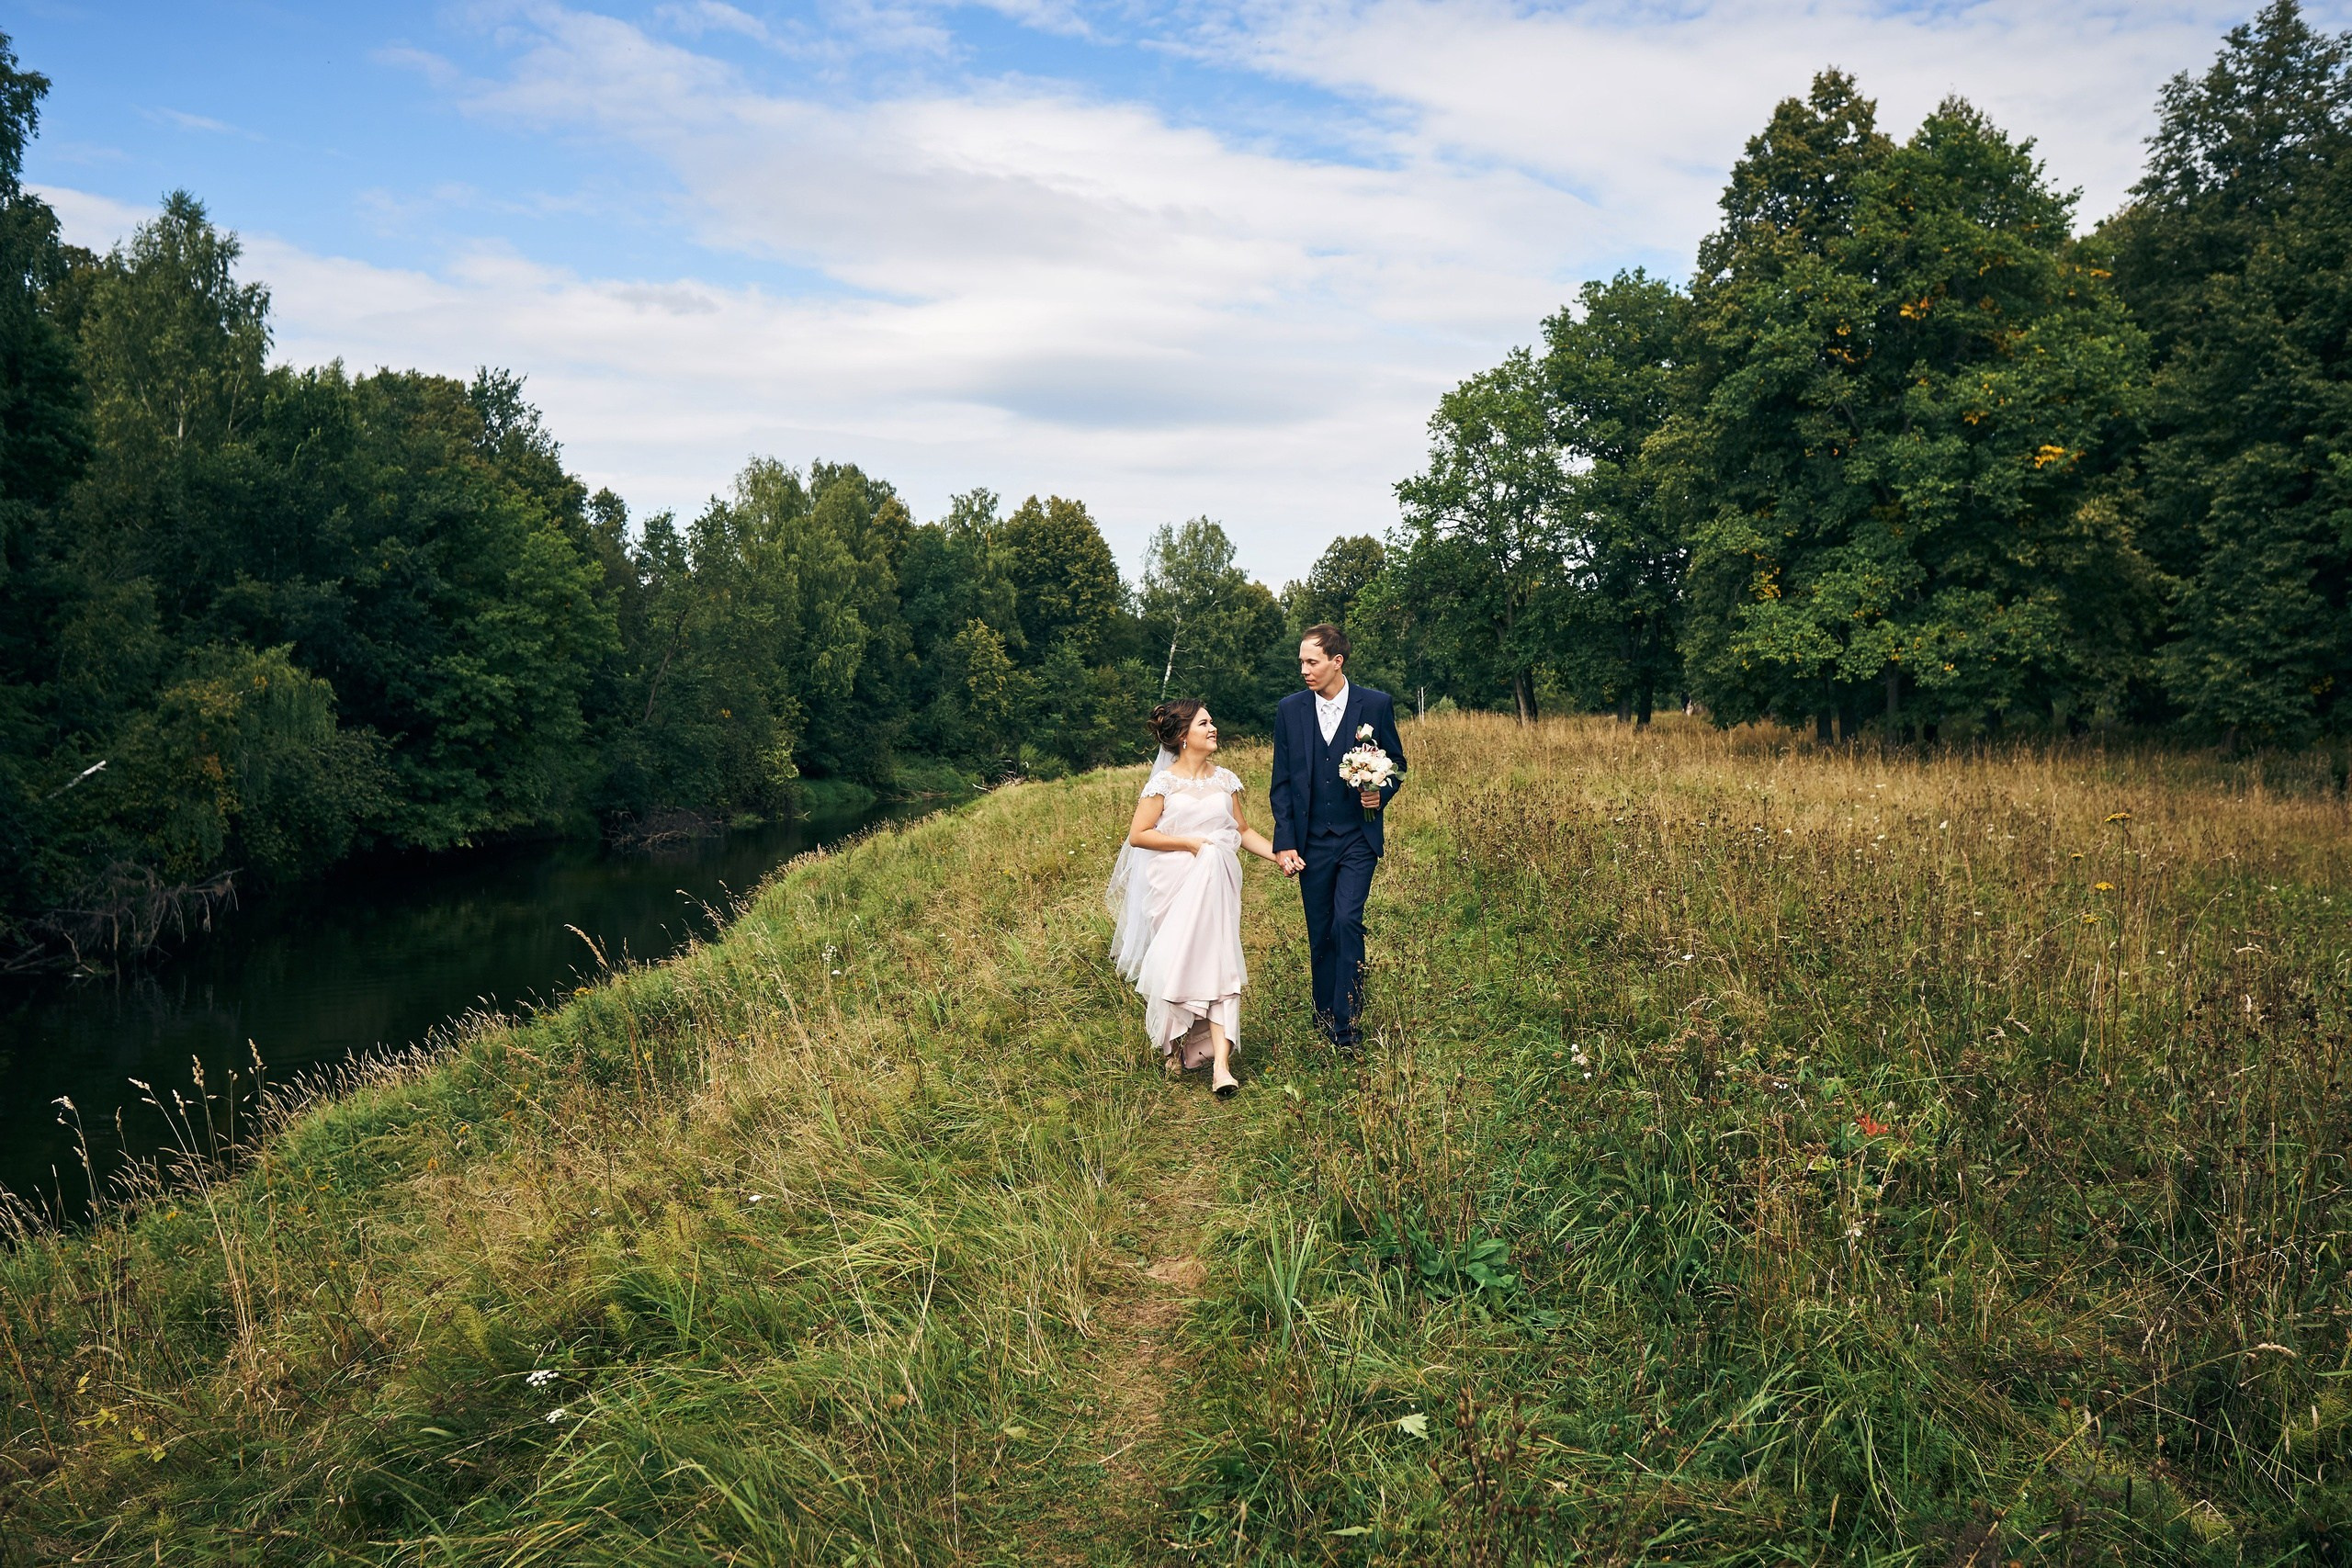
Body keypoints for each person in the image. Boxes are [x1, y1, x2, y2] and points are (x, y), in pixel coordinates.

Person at [1106, 700, 1283, 1096]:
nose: (1213, 727)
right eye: (1204, 723)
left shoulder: (1225, 780)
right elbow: (1139, 835)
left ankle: (1222, 1067)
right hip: (1174, 884)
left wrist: (1278, 855)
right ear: (1183, 736)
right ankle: (1174, 1046)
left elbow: (1242, 830)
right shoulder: (1163, 784)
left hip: (1217, 884)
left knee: (1221, 964)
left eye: (1212, 721)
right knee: (1178, 965)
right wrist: (1188, 843)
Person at [1268, 625, 1406, 1052]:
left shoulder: (1376, 704)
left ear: (1337, 661)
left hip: (1357, 837)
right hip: (1311, 841)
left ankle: (1347, 1024)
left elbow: (1398, 764)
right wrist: (1285, 841)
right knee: (1321, 928)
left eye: (1312, 662)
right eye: (1301, 662)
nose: (1304, 670)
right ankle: (1325, 1011)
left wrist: (1380, 791)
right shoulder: (1289, 710)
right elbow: (1282, 783)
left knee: (1346, 920)